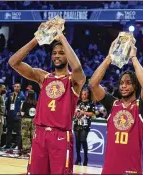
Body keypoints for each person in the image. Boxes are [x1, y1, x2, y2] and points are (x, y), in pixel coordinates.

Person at [8, 28, 86, 174]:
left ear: (68, 56)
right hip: (40, 134)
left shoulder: (73, 80)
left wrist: (62, 37)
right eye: (54, 53)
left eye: (61, 53)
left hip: (61, 135)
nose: (57, 56)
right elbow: (13, 62)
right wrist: (37, 39)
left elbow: (77, 67)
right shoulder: (44, 77)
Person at [89, 40, 143, 174]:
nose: (123, 86)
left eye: (128, 83)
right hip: (109, 169)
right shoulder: (113, 104)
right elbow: (93, 84)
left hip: (131, 170)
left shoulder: (141, 107)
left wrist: (134, 58)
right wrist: (109, 57)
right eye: (121, 83)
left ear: (135, 86)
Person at [73, 86, 95, 173]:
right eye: (82, 94)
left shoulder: (90, 103)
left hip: (85, 125)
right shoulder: (78, 101)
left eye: (85, 94)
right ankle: (78, 158)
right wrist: (76, 113)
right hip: (76, 123)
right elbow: (74, 110)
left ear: (88, 94)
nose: (83, 96)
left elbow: (93, 113)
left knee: (83, 140)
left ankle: (86, 158)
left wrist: (84, 113)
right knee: (77, 142)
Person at [4, 82, 25, 151]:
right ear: (13, 87)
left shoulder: (22, 96)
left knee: (18, 132)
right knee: (8, 131)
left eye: (17, 86)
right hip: (10, 116)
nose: (16, 88)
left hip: (17, 117)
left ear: (20, 88)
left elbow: (23, 107)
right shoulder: (10, 95)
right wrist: (6, 113)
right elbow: (7, 105)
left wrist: (20, 113)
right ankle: (8, 145)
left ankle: (18, 146)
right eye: (15, 86)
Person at [20, 90, 37, 155]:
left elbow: (22, 113)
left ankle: (26, 149)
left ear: (28, 95)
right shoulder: (36, 103)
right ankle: (33, 149)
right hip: (34, 120)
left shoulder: (25, 103)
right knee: (33, 135)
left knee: (25, 135)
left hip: (26, 120)